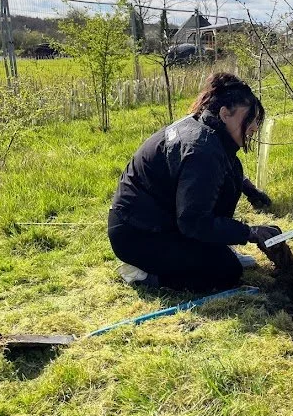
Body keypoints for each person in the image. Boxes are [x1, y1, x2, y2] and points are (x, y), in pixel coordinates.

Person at [107, 72, 282, 292]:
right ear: (225, 113)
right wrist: (249, 232)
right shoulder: (200, 149)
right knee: (226, 271)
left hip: (158, 220)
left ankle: (204, 252)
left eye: (256, 120)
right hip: (138, 234)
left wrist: (248, 189)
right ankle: (143, 274)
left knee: (220, 254)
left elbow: (218, 174)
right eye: (249, 118)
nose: (254, 127)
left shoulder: (207, 129)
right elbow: (192, 220)